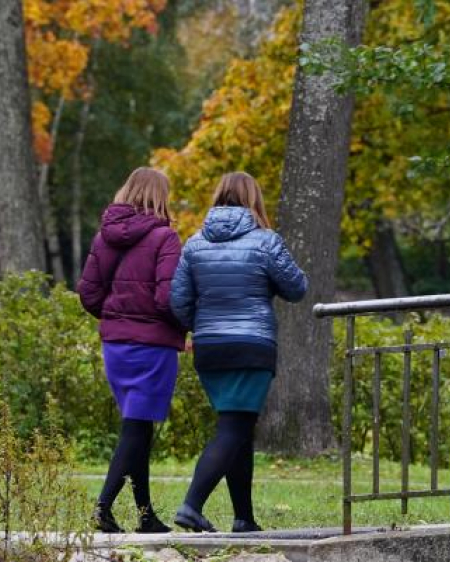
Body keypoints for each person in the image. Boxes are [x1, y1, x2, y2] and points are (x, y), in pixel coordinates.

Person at [169, 171, 308, 533]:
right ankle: (191, 505)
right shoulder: (266, 241)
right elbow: (296, 288)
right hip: (251, 344)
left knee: (238, 428)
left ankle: (243, 518)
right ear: (254, 200)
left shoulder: (194, 244)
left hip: (210, 347)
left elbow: (178, 302)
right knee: (233, 428)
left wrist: (201, 324)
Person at [77, 167, 184, 534]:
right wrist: (184, 323)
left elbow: (89, 294)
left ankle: (145, 514)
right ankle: (103, 507)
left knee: (138, 425)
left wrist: (115, 317)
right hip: (152, 346)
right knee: (136, 428)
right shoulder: (165, 237)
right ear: (159, 196)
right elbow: (167, 297)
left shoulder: (103, 237)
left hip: (116, 346)